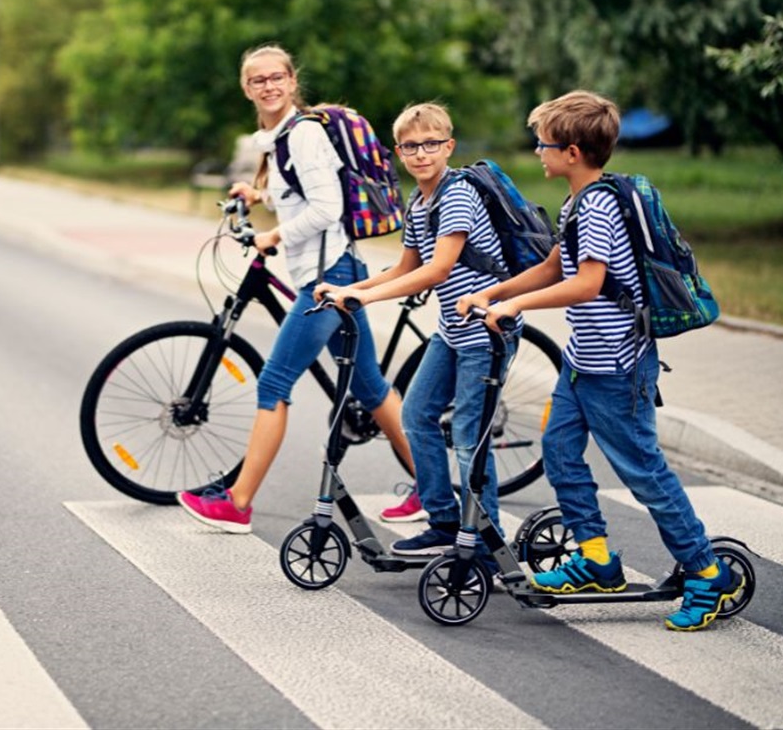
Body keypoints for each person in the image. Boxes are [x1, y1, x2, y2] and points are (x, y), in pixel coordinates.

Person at [457, 90, 743, 631]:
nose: (536, 152)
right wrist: (496, 294)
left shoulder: (598, 206)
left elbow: (587, 284)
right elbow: (550, 267)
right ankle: (596, 560)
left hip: (617, 366)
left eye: (541, 144)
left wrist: (514, 305)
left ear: (570, 151)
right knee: (560, 452)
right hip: (582, 362)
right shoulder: (577, 202)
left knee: (643, 471)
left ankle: (707, 573)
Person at [177, 43, 413, 533]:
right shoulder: (277, 137)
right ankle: (438, 493)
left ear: (291, 81)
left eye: (276, 77)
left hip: (328, 279)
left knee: (274, 383)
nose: (268, 86)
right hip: (332, 270)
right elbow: (297, 190)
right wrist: (258, 194)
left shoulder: (304, 135)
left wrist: (274, 234)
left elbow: (327, 209)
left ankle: (238, 502)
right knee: (369, 386)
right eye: (258, 80)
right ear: (247, 88)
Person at [317, 103, 519, 556]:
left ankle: (485, 544)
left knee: (469, 438)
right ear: (398, 153)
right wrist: (350, 287)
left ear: (448, 146)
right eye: (411, 146)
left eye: (431, 144)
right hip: (452, 331)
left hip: (487, 333)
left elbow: (438, 270)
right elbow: (407, 265)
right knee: (415, 416)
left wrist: (365, 299)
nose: (421, 153)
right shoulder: (420, 199)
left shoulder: (459, 194)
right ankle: (445, 522)